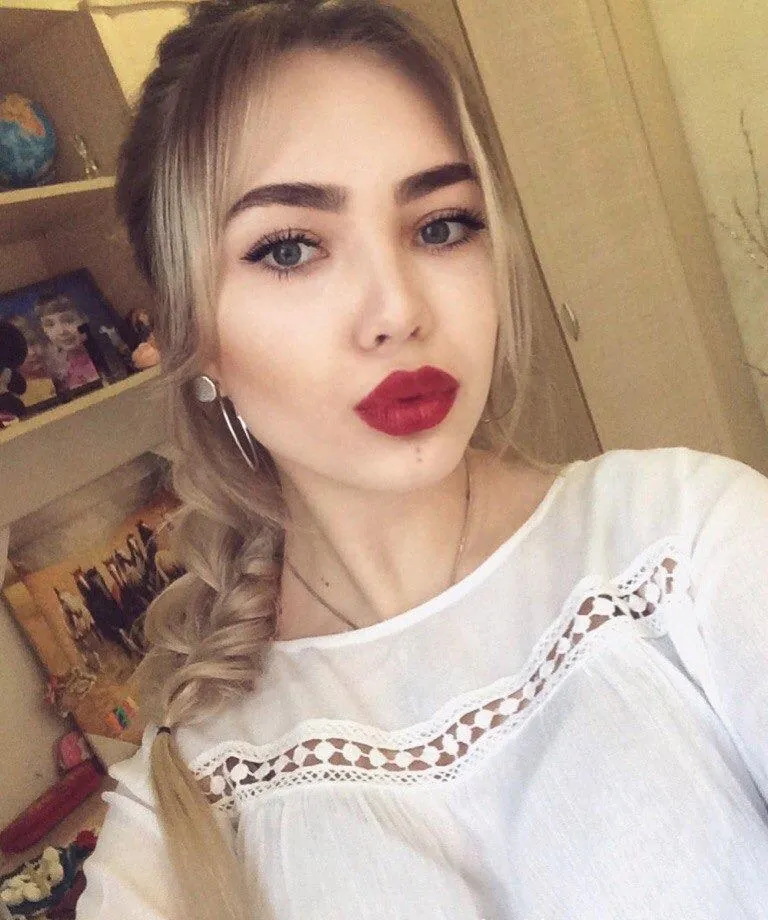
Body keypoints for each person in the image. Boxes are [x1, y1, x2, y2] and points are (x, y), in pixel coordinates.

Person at [74, 1, 768, 918]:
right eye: (290, 248)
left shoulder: (686, 548)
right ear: (186, 336)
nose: (399, 310)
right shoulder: (185, 814)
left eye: (441, 226)